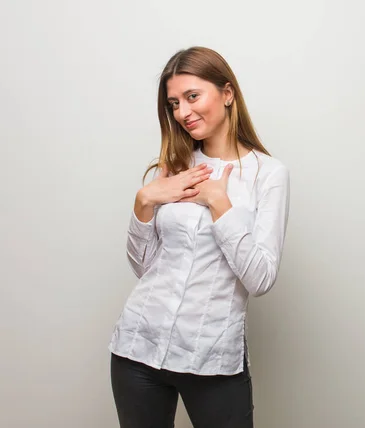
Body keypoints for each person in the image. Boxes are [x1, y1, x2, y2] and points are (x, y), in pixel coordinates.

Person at [108, 46, 290, 428]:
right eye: (174, 103)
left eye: (192, 97)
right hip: (139, 348)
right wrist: (144, 201)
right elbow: (146, 268)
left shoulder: (268, 174)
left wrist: (219, 205)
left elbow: (260, 279)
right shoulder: (172, 167)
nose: (182, 113)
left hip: (212, 357)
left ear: (227, 93)